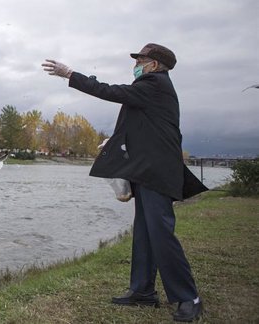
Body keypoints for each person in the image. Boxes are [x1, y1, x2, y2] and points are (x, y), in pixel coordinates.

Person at [42, 43, 207, 322]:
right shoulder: (152, 89)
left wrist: (69, 74)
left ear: (154, 64)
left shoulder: (153, 83)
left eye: (140, 59)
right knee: (144, 233)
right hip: (148, 172)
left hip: (157, 173)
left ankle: (189, 297)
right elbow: (142, 127)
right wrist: (114, 141)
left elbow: (110, 91)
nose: (135, 64)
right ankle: (142, 292)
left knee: (161, 234)